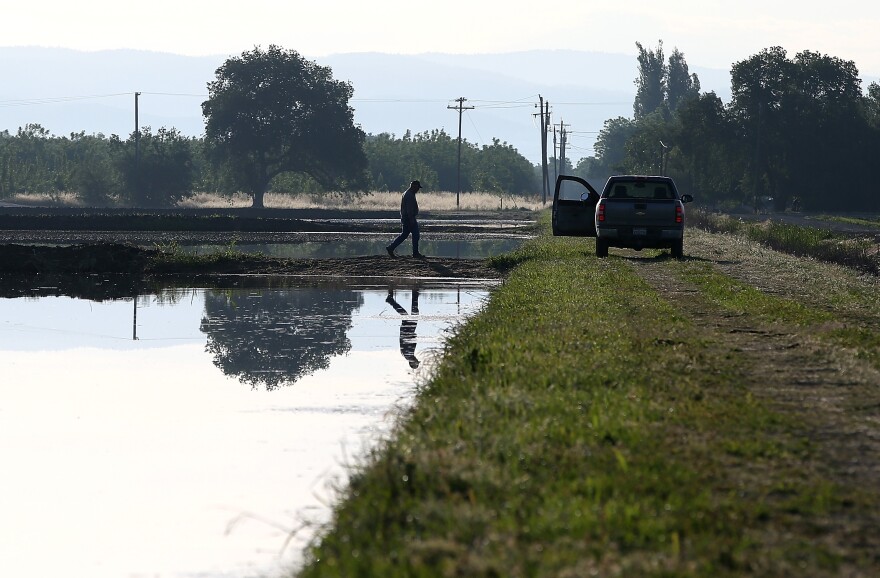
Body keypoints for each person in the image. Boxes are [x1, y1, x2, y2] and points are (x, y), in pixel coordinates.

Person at [385, 180, 426, 258]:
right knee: (416, 235)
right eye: (417, 187)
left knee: (404, 235)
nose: (418, 190)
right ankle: (415, 253)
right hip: (409, 218)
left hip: (406, 218)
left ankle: (391, 248)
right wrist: (411, 219)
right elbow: (409, 209)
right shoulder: (409, 195)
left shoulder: (407, 193)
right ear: (414, 186)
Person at [385, 287, 420, 368]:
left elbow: (408, 341)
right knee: (408, 314)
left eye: (416, 361)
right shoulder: (408, 355)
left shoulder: (408, 354)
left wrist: (413, 336)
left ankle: (414, 294)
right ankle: (392, 300)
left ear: (413, 362)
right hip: (407, 331)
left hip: (407, 331)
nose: (417, 359)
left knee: (411, 314)